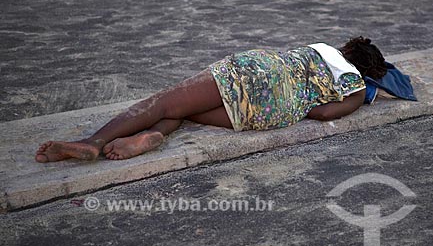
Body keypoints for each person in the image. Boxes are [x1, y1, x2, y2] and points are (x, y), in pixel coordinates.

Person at [35, 36, 386, 162]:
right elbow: (324, 115)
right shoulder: (355, 90)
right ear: (368, 73)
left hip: (258, 71)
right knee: (186, 113)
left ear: (348, 48)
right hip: (274, 110)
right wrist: (299, 100)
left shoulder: (322, 49)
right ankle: (154, 136)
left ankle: (93, 142)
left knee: (165, 102)